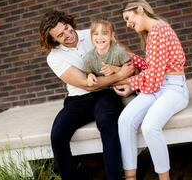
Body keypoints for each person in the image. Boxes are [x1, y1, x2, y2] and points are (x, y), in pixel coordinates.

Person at [39, 10, 134, 180]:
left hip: (105, 93)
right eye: (61, 35)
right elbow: (86, 84)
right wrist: (119, 76)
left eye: (67, 28)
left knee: (107, 122)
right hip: (78, 99)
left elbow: (123, 55)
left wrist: (116, 45)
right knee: (58, 135)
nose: (69, 34)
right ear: (53, 40)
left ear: (69, 22)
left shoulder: (91, 35)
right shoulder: (54, 57)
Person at [113, 0, 189, 180]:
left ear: (140, 9)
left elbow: (154, 79)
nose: (127, 24)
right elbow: (151, 66)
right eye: (124, 21)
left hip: (173, 88)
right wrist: (128, 56)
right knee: (124, 120)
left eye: (128, 17)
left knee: (149, 126)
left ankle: (164, 178)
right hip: (159, 87)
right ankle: (130, 176)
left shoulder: (159, 30)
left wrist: (131, 83)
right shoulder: (153, 32)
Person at [83, 18, 135, 105]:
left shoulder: (119, 52)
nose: (99, 37)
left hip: (123, 88)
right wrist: (90, 75)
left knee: (133, 105)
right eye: (96, 34)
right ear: (91, 37)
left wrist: (116, 69)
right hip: (104, 93)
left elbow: (132, 70)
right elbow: (88, 73)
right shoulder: (88, 58)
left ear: (111, 36)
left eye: (104, 33)